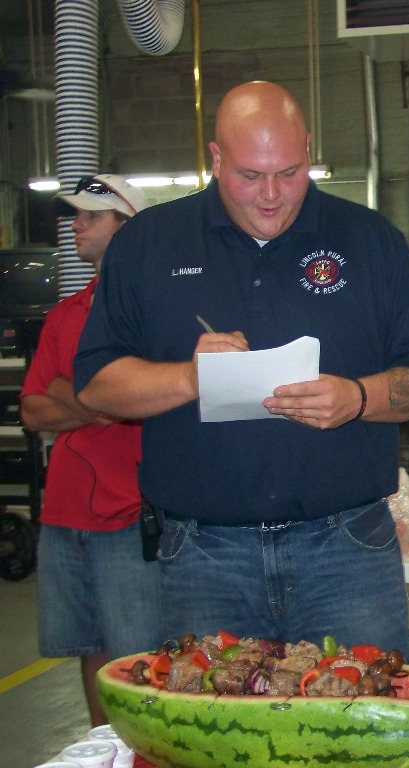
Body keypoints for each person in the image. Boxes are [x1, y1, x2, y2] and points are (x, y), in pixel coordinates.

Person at [73, 81, 409, 659]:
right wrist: (189, 377)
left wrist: (357, 397)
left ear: (308, 150)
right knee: (214, 716)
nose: (271, 195)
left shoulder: (370, 240)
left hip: (348, 550)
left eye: (290, 172)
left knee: (359, 713)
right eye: (250, 175)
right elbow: (96, 386)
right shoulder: (148, 244)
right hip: (202, 557)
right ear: (216, 157)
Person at [19, 174, 160, 726]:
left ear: (129, 228)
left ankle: (144, 755)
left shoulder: (153, 313)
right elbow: (33, 411)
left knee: (138, 656)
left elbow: (141, 402)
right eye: (75, 215)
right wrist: (98, 401)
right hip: (64, 513)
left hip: (130, 514)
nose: (76, 225)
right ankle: (103, 751)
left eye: (91, 216)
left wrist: (71, 394)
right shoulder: (65, 315)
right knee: (91, 648)